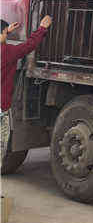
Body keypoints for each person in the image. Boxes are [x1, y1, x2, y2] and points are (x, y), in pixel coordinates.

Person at [1, 16, 52, 160]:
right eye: (4, 33)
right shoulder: (7, 51)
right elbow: (29, 45)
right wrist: (42, 28)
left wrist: (6, 31)